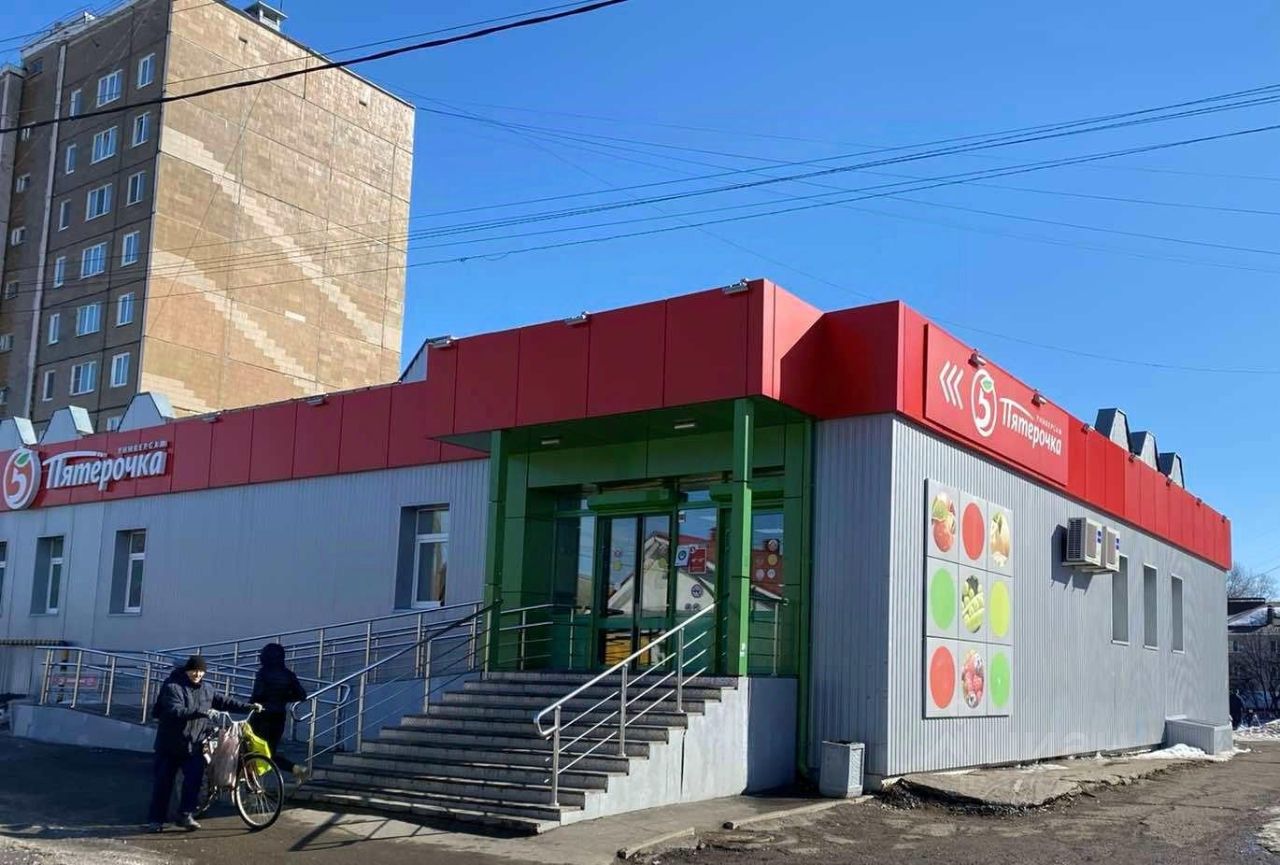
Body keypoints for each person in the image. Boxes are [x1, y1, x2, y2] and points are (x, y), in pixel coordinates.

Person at [147, 656, 261, 833]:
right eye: (194, 671)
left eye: (201, 671)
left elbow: (224, 702)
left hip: (194, 744)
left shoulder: (207, 688)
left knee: (194, 781)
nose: (197, 674)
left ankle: (185, 815)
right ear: (187, 670)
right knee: (163, 783)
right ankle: (156, 820)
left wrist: (248, 707)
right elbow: (175, 710)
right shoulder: (172, 687)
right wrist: (203, 712)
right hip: (170, 744)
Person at [250, 643, 310, 781]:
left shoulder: (263, 673)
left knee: (254, 750)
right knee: (270, 751)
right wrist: (283, 698)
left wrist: (249, 706)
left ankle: (254, 784)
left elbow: (257, 695)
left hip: (261, 716)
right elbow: (301, 695)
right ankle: (295, 768)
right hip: (279, 717)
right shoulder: (288, 674)